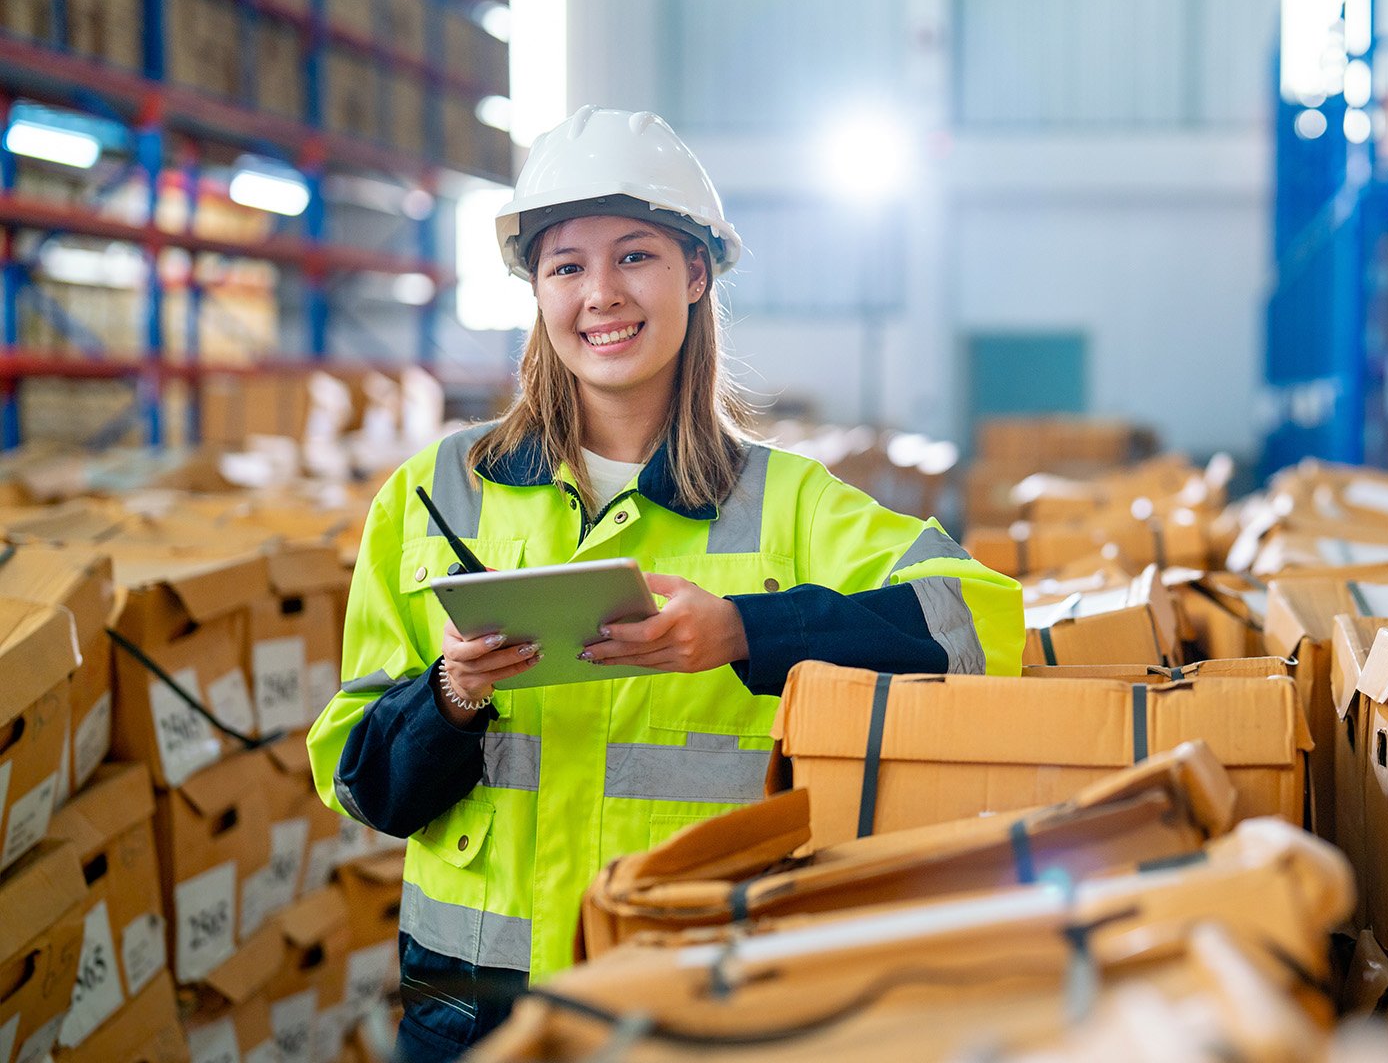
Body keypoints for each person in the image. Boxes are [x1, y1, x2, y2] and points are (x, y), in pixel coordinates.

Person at [308, 106, 1024, 1063]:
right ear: (537, 292)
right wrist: (453, 694)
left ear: (696, 274)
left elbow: (981, 623)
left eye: (635, 257)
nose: (600, 294)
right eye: (566, 266)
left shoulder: (787, 503)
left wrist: (743, 631)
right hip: (473, 1013)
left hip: (696, 1001)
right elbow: (359, 784)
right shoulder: (436, 500)